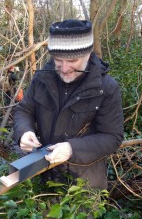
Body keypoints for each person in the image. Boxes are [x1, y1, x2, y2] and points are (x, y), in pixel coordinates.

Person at [13, 19, 124, 189]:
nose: (64, 68)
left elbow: (112, 137)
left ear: (88, 54)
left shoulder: (106, 88)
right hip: (43, 177)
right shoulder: (42, 78)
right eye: (58, 60)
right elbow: (24, 110)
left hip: (84, 185)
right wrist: (24, 131)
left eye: (73, 61)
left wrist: (72, 149)